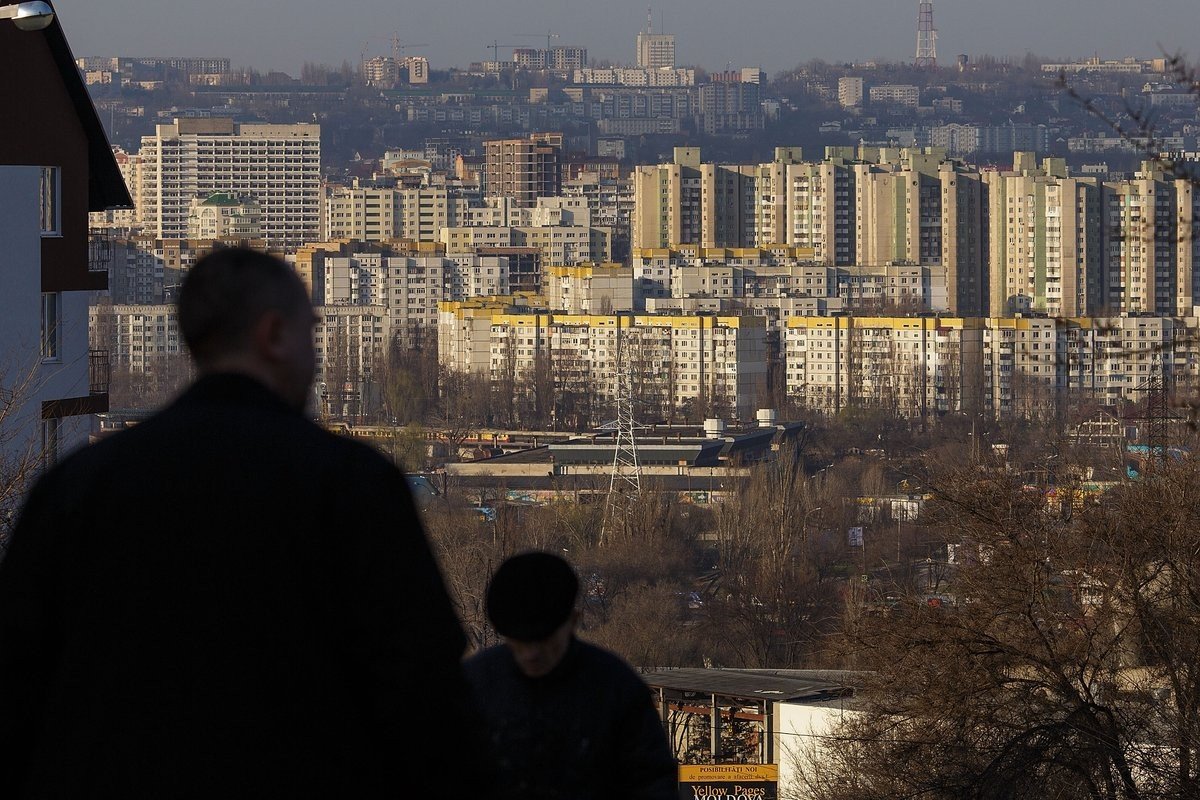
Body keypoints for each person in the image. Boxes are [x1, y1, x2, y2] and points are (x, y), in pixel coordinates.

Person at [0, 247, 488, 797]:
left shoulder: (77, 487)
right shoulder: (350, 484)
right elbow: (425, 699)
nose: (316, 352)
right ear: (274, 334)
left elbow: (18, 690)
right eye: (312, 331)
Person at [464, 551, 678, 800]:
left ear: (574, 620)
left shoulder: (615, 689)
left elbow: (652, 782)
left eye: (544, 640)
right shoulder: (472, 688)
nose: (531, 654)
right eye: (520, 641)